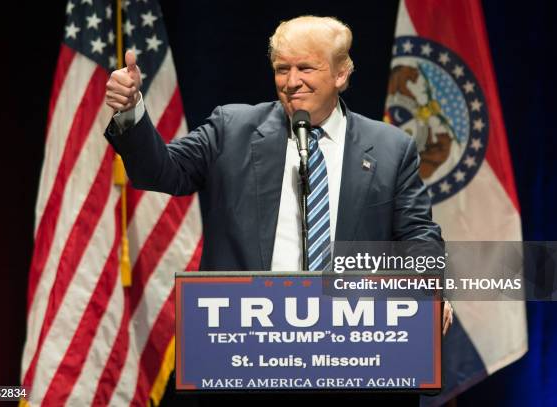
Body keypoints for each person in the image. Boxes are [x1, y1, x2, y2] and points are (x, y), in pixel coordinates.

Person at [105, 15, 453, 405]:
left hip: (354, 362)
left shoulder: (391, 148)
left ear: (341, 74)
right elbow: (162, 172)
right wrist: (132, 111)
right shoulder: (231, 129)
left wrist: (426, 291)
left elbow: (419, 236)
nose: (291, 82)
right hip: (248, 364)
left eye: (306, 68)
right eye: (281, 69)